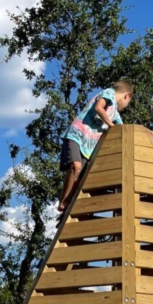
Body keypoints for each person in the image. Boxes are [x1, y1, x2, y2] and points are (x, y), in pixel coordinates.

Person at [58, 80, 133, 212]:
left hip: (88, 147)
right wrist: (110, 125)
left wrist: (148, 133)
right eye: (127, 103)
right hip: (77, 134)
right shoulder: (109, 93)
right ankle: (63, 201)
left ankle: (67, 205)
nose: (125, 106)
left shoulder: (115, 113)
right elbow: (99, 108)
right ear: (127, 95)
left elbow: (124, 129)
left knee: (79, 178)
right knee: (75, 166)